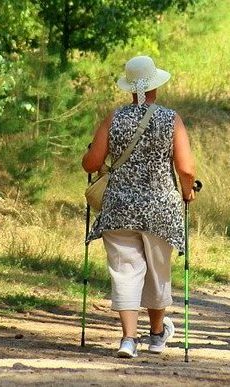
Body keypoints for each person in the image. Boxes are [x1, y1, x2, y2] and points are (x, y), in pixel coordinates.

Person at [81, 55, 196, 358]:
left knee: (125, 271)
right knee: (158, 272)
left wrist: (93, 153)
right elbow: (186, 170)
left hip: (119, 207)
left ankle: (128, 339)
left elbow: (91, 163)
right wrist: (187, 193)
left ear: (130, 88)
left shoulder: (114, 118)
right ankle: (157, 336)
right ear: (155, 85)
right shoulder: (171, 119)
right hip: (161, 209)